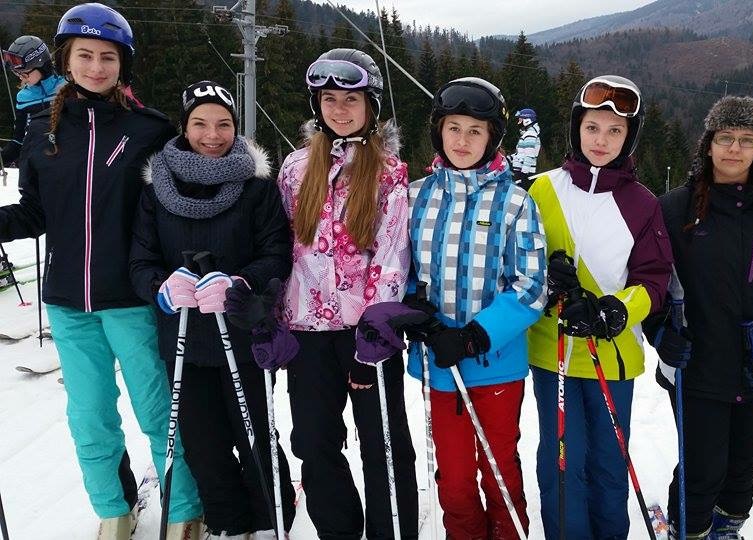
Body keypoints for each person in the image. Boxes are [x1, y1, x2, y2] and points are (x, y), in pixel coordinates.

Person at [0, 4, 203, 539]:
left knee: (158, 413)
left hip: (133, 299)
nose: (95, 67)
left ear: (122, 64)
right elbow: (35, 212)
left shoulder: (149, 129)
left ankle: (184, 506)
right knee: (89, 417)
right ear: (66, 59)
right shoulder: (42, 130)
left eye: (107, 57)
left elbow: (176, 209)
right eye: (84, 55)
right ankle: (113, 507)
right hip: (68, 302)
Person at [642, 95, 753, 539]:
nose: (735, 148)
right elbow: (650, 280)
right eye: (725, 137)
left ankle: (727, 527)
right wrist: (661, 332)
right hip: (695, 361)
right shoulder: (673, 208)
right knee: (703, 466)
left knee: (744, 463)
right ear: (708, 145)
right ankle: (690, 530)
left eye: (747, 139)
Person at [129, 80, 297, 538]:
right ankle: (227, 521)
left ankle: (270, 516)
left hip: (242, 330)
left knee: (254, 431)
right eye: (200, 123)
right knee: (203, 442)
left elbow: (276, 253)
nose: (212, 135)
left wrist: (241, 282)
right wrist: (162, 287)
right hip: (183, 336)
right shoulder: (156, 188)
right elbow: (140, 261)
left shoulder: (256, 187)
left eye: (224, 124)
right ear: (184, 127)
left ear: (236, 128)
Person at [275, 48, 418, 539]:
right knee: (314, 442)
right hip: (308, 332)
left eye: (351, 99)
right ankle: (338, 530)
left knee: (383, 443)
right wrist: (272, 315)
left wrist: (372, 340)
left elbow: (392, 255)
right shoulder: (295, 169)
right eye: (329, 99)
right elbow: (282, 245)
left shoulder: (388, 173)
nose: (339, 109)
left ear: (370, 105)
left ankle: (390, 531)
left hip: (366, 334)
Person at [525, 75, 673, 540]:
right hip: (552, 353)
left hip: (612, 355)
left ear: (630, 137)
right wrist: (546, 279)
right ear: (577, 128)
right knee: (562, 462)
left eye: (614, 131)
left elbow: (654, 279)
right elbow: (517, 261)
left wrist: (615, 310)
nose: (601, 140)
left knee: (608, 463)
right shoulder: (542, 190)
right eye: (592, 127)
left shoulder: (642, 204)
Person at [403, 76, 546, 540]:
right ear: (438, 131)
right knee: (455, 476)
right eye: (454, 128)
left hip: (495, 365)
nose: (462, 141)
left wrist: (474, 336)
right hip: (439, 365)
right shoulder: (416, 196)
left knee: (498, 468)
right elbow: (400, 268)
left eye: (475, 131)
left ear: (492, 138)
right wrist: (413, 310)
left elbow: (532, 285)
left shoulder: (515, 202)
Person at [1, 35, 66, 166]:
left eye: (24, 73)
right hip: (35, 166)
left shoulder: (66, 87)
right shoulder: (24, 97)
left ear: (41, 66)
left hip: (66, 163)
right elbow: (18, 141)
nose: (21, 78)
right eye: (17, 73)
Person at [508, 107, 541, 189]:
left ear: (527, 120)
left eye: (520, 120)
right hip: (520, 171)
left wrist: (524, 173)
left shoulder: (530, 134)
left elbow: (529, 155)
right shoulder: (527, 134)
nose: (518, 122)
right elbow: (521, 153)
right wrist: (508, 159)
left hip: (523, 173)